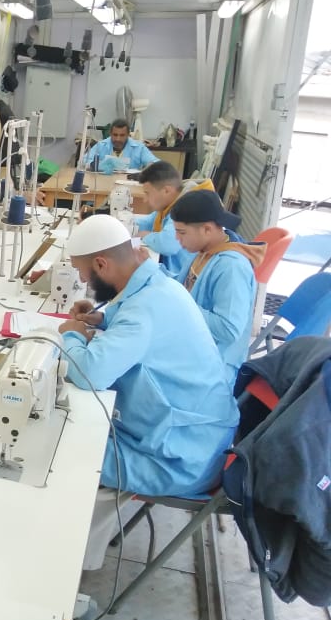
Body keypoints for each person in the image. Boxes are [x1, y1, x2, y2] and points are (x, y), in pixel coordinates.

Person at [56, 215, 239, 569]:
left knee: (60, 450)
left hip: (179, 458)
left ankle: (62, 566)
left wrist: (72, 335)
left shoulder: (144, 309)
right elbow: (139, 327)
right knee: (66, 430)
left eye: (83, 272)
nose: (83, 281)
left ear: (101, 264)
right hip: (196, 436)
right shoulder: (159, 285)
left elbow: (90, 373)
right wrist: (102, 320)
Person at [167, 189, 266, 384]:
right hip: (191, 344)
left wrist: (180, 305)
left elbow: (228, 329)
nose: (177, 238)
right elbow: (182, 285)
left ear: (207, 229)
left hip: (211, 368)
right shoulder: (206, 250)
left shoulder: (231, 267)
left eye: (181, 232)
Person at [135, 160, 217, 278]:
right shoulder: (170, 204)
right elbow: (147, 221)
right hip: (172, 272)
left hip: (181, 278)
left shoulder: (187, 207)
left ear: (166, 191)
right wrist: (123, 224)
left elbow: (167, 244)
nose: (145, 200)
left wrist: (145, 235)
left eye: (147, 193)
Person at [87, 118, 159, 172]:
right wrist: (98, 165)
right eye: (115, 135)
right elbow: (84, 161)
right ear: (110, 134)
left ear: (128, 135)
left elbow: (156, 163)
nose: (118, 139)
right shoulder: (101, 145)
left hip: (130, 183)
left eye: (122, 135)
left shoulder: (139, 148)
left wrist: (150, 166)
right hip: (104, 181)